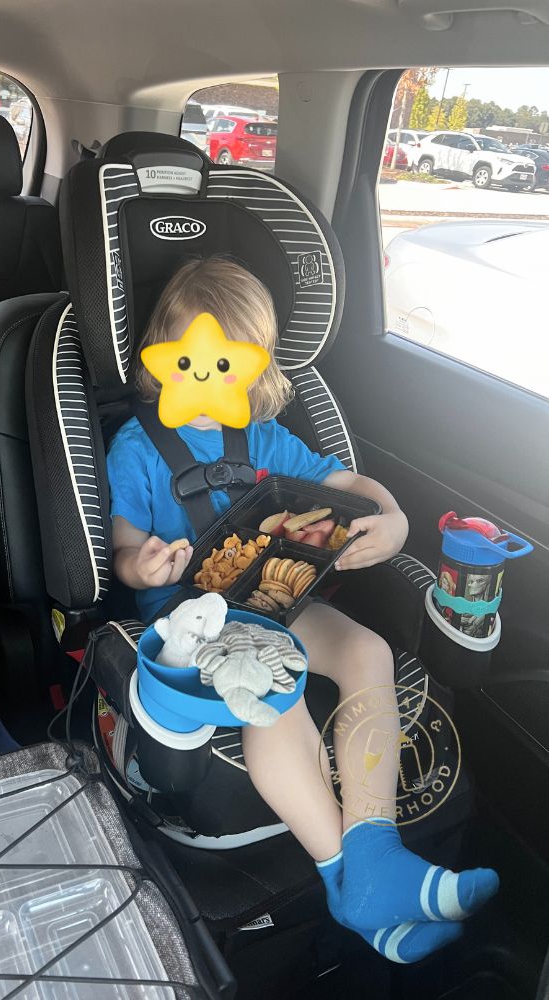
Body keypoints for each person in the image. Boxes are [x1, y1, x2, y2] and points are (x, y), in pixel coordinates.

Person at [106, 257, 499, 964]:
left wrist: (395, 519)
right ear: (163, 359)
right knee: (274, 691)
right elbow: (124, 548)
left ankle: (375, 849)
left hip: (277, 599)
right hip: (192, 618)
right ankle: (346, 874)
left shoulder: (261, 437)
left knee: (367, 653)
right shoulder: (138, 447)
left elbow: (345, 480)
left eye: (230, 367)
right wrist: (144, 563)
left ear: (253, 371)